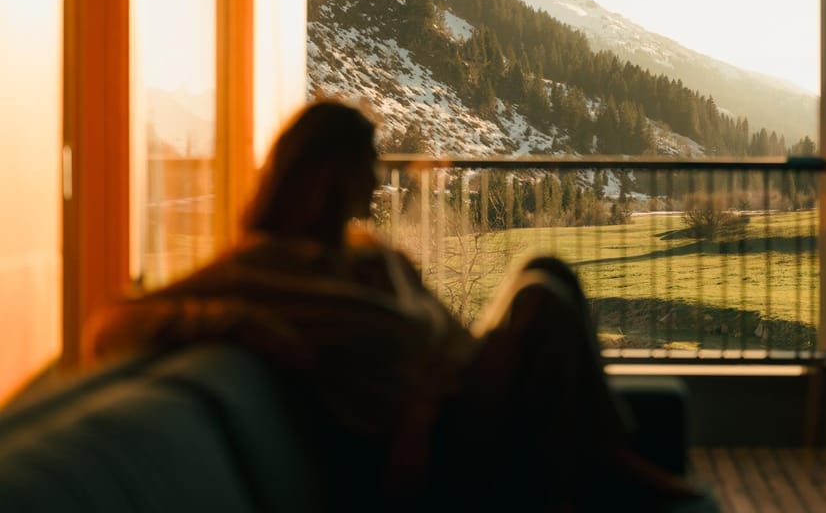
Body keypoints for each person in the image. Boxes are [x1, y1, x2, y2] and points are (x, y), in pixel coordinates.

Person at [85, 98, 712, 511]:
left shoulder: (364, 253)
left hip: (465, 392)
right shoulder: (259, 269)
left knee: (541, 270)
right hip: (440, 436)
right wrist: (236, 321)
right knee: (540, 302)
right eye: (367, 164)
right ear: (327, 177)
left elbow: (442, 334)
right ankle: (607, 464)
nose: (378, 178)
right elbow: (114, 322)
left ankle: (600, 460)